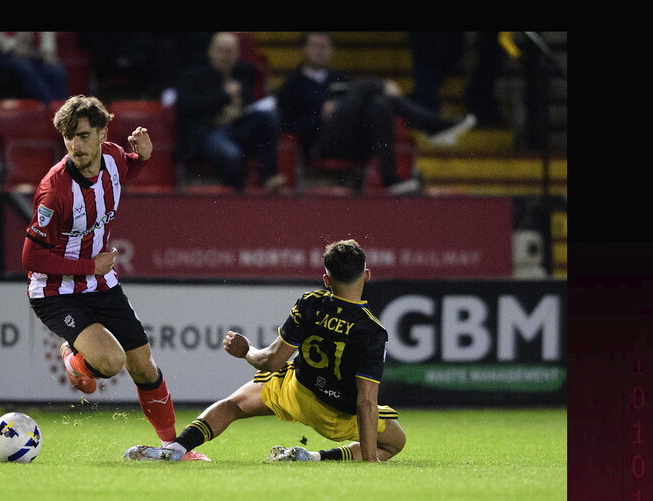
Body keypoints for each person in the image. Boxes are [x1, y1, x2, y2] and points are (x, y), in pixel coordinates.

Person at [21, 95, 207, 461]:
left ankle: (174, 448)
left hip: (101, 283)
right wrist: (90, 267)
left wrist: (146, 157)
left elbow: (126, 171)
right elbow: (31, 258)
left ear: (103, 133)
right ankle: (74, 358)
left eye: (84, 135)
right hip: (55, 291)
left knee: (144, 365)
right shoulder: (54, 192)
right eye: (69, 137)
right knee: (109, 363)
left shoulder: (113, 157)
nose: (76, 145)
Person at [125, 239, 406, 463]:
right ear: (366, 275)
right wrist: (370, 460)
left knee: (232, 405)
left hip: (295, 391)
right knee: (396, 441)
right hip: (336, 416)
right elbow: (366, 403)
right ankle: (315, 457)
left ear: (326, 280)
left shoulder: (311, 303)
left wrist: (247, 351)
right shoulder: (372, 330)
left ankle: (175, 448)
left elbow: (270, 361)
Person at [277, 32, 476, 195]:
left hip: (354, 141)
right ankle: (431, 126)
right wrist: (319, 115)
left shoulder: (340, 77)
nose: (320, 52)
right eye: (315, 46)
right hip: (321, 142)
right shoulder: (293, 85)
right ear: (304, 49)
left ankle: (390, 178)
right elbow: (287, 124)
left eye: (324, 47)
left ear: (331, 50)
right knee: (371, 88)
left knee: (378, 105)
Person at [174, 32, 285, 192]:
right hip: (206, 133)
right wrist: (225, 97)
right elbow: (186, 107)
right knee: (232, 154)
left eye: (230, 52)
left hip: (236, 128)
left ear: (237, 54)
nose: (225, 56)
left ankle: (268, 177)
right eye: (221, 51)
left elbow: (249, 105)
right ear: (210, 51)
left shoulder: (243, 74)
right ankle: (234, 199)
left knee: (269, 117)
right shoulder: (193, 75)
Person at [0, 32, 69, 103]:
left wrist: (48, 52)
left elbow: (46, 45)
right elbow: (4, 45)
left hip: (24, 54)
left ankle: (64, 114)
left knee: (55, 70)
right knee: (25, 69)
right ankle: (51, 110)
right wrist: (27, 53)